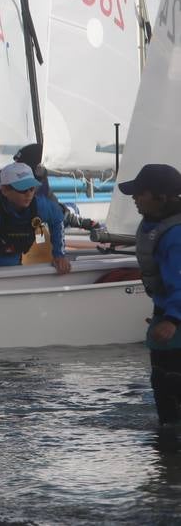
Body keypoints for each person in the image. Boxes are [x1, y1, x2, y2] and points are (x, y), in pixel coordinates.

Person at [122, 164, 181, 430]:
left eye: (140, 193)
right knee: (163, 386)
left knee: (171, 386)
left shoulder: (176, 234)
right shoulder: (156, 225)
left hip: (174, 322)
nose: (134, 197)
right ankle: (166, 463)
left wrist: (171, 319)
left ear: (161, 196)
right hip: (166, 317)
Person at [0, 161, 72, 292]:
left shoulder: (40, 206)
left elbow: (57, 219)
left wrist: (59, 254)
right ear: (4, 190)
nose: (28, 194)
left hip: (14, 268)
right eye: (22, 189)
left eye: (32, 188)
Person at [0, 143, 97, 231]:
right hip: (0, 246)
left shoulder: (39, 186)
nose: (29, 193)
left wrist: (84, 223)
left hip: (30, 237)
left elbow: (56, 211)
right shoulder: (0, 186)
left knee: (68, 209)